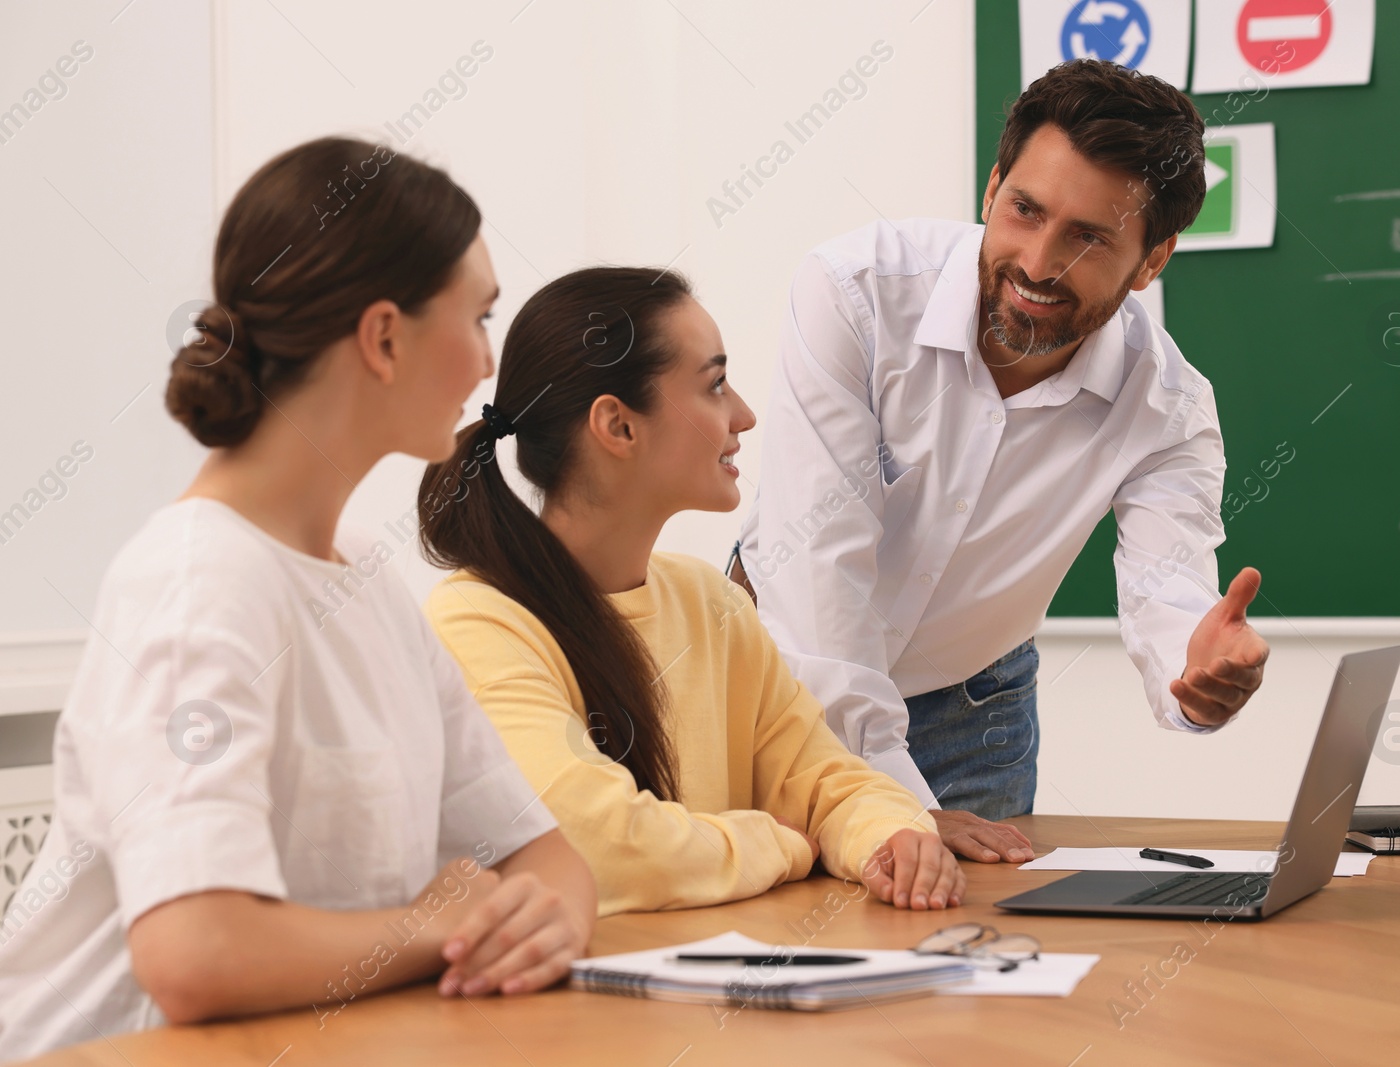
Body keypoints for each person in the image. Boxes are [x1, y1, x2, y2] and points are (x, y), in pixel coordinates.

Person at [0, 137, 594, 1062]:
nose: (488, 363)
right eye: (478, 318)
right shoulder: (196, 583)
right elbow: (194, 954)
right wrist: (432, 926)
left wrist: (535, 922)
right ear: (385, 337)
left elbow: (547, 859)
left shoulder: (364, 576)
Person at [731, 59, 1271, 861]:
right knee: (773, 944)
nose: (1038, 262)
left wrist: (1194, 669)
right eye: (1025, 210)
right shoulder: (855, 293)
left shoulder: (1170, 408)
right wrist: (893, 804)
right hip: (778, 681)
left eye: (1089, 237)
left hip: (973, 711)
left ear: (1153, 259)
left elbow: (1169, 588)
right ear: (991, 191)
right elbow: (819, 585)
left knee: (979, 963)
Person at [418, 266, 964, 918]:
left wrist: (890, 836)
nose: (743, 415)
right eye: (714, 386)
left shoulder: (711, 603)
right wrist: (786, 844)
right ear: (619, 427)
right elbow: (598, 848)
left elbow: (823, 780)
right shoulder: (478, 621)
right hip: (570, 1012)